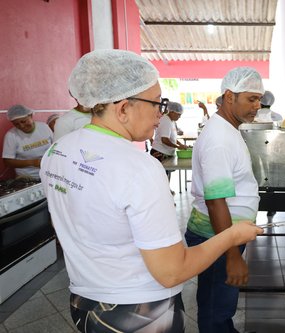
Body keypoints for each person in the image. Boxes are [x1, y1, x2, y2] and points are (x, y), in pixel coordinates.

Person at [39, 49, 263, 333]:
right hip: (138, 312)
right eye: (156, 103)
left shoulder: (57, 151)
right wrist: (232, 237)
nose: (161, 112)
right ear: (122, 108)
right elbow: (172, 271)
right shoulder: (139, 168)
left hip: (84, 302)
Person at [185, 67, 265, 333]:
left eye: (259, 99)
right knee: (215, 307)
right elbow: (215, 201)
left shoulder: (229, 129)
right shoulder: (219, 139)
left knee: (219, 303)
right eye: (251, 99)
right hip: (216, 237)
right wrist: (232, 254)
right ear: (229, 96)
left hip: (224, 234)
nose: (258, 105)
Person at [2, 104, 53, 179]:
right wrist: (32, 163)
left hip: (49, 172)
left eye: (24, 121)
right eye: (16, 124)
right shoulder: (11, 135)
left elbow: (55, 146)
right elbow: (8, 161)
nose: (21, 126)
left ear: (31, 115)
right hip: (27, 177)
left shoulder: (44, 127)